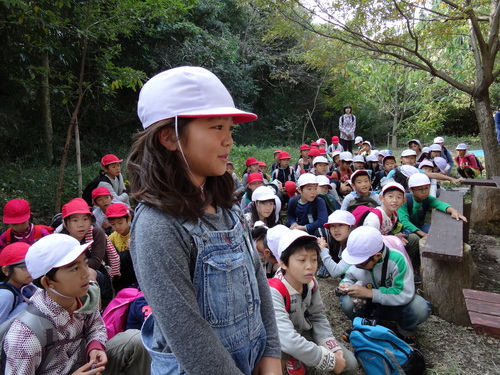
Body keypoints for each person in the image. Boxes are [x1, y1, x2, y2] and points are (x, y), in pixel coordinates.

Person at [128, 66, 281, 374]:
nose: (229, 142)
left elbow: (256, 278)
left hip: (252, 357)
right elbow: (187, 332)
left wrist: (272, 351)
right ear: (170, 137)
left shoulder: (226, 204)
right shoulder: (157, 225)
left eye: (230, 129)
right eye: (216, 128)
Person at [3, 234, 150, 374]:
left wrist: (95, 347)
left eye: (85, 263)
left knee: (134, 340)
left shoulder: (84, 297)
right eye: (74, 269)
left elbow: (96, 326)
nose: (86, 273)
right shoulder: (25, 336)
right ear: (48, 282)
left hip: (89, 366)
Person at [269, 229, 358, 375]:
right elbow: (288, 340)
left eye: (314, 259)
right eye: (302, 260)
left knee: (349, 365)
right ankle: (293, 357)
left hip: (303, 332)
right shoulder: (274, 291)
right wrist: (327, 359)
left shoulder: (311, 282)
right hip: (279, 340)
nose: (310, 266)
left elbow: (317, 316)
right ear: (283, 263)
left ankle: (298, 355)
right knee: (274, 370)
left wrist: (331, 346)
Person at [338, 226, 431, 346]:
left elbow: (404, 293)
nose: (357, 266)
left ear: (377, 256)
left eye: (361, 264)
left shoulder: (397, 260)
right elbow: (349, 277)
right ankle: (365, 324)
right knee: (346, 302)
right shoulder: (360, 260)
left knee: (420, 307)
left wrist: (369, 293)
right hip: (368, 306)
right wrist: (345, 285)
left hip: (394, 306)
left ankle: (404, 331)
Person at [59, 197, 120, 305]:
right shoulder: (61, 237)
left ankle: (95, 313)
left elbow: (95, 262)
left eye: (85, 219)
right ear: (66, 222)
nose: (81, 224)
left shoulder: (96, 233)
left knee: (89, 273)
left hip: (99, 276)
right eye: (75, 220)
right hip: (70, 275)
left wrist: (72, 269)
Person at [398, 173, 467, 239]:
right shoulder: (404, 201)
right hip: (405, 230)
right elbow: (404, 222)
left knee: (436, 232)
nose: (424, 192)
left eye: (427, 188)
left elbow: (439, 204)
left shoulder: (427, 199)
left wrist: (453, 210)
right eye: (420, 189)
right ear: (411, 190)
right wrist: (423, 234)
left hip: (420, 227)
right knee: (414, 238)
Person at [0, 242, 36, 324]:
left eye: (32, 264)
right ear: (6, 270)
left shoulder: (28, 287)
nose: (30, 270)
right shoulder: (5, 295)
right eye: (25, 266)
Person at [107, 203, 137, 291]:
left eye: (120, 223)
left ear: (128, 218)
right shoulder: (113, 237)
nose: (117, 227)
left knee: (124, 256)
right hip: (121, 273)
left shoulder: (136, 233)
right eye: (113, 224)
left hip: (135, 271)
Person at [318, 210, 354, 278]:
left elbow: (335, 272)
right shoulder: (339, 243)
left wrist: (323, 250)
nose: (336, 229)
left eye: (341, 225)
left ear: (351, 228)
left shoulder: (354, 245)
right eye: (332, 226)